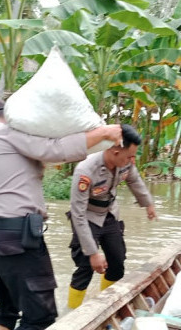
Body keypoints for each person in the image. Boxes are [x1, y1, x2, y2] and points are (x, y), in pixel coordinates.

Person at [0, 99, 122, 330]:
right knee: (39, 318)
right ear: (11, 117)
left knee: (6, 306)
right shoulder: (8, 132)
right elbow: (55, 150)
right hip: (17, 236)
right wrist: (103, 133)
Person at [66, 124, 156, 309]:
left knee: (117, 262)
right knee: (85, 267)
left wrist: (148, 203)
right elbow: (78, 214)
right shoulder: (86, 170)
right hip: (87, 217)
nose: (132, 160)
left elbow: (135, 180)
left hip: (109, 213)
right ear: (115, 151)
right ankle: (71, 313)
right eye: (129, 156)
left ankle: (103, 305)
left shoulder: (125, 163)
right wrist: (92, 253)